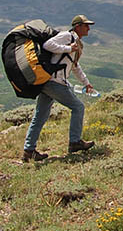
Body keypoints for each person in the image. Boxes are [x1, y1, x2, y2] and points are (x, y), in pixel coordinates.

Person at [22, 14, 98, 161]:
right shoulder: (66, 36)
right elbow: (47, 45)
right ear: (78, 26)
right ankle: (74, 142)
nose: (89, 28)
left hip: (48, 82)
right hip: (54, 82)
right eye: (86, 25)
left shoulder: (75, 42)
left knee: (40, 115)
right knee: (78, 107)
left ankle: (28, 150)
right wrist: (68, 48)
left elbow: (74, 66)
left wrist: (86, 83)